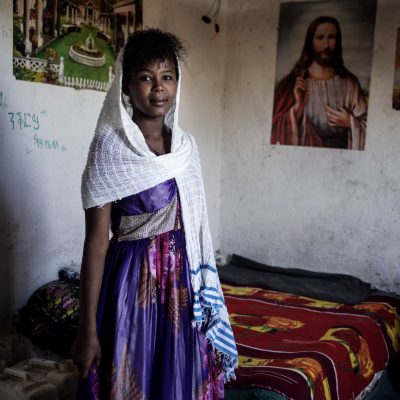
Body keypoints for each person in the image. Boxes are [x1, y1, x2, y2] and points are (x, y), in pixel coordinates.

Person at [72, 29, 237, 400]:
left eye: (167, 77)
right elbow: (97, 243)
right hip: (132, 283)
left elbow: (194, 228)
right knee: (134, 376)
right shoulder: (111, 149)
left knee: (177, 376)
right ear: (127, 87)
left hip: (182, 287)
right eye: (146, 77)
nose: (158, 88)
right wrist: (86, 330)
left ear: (177, 83)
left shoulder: (185, 148)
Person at [271, 16, 368, 150]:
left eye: (332, 37)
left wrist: (350, 122)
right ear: (310, 42)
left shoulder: (349, 83)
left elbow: (369, 124)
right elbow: (274, 127)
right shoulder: (292, 84)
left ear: (338, 41)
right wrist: (299, 106)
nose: (326, 45)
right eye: (320, 37)